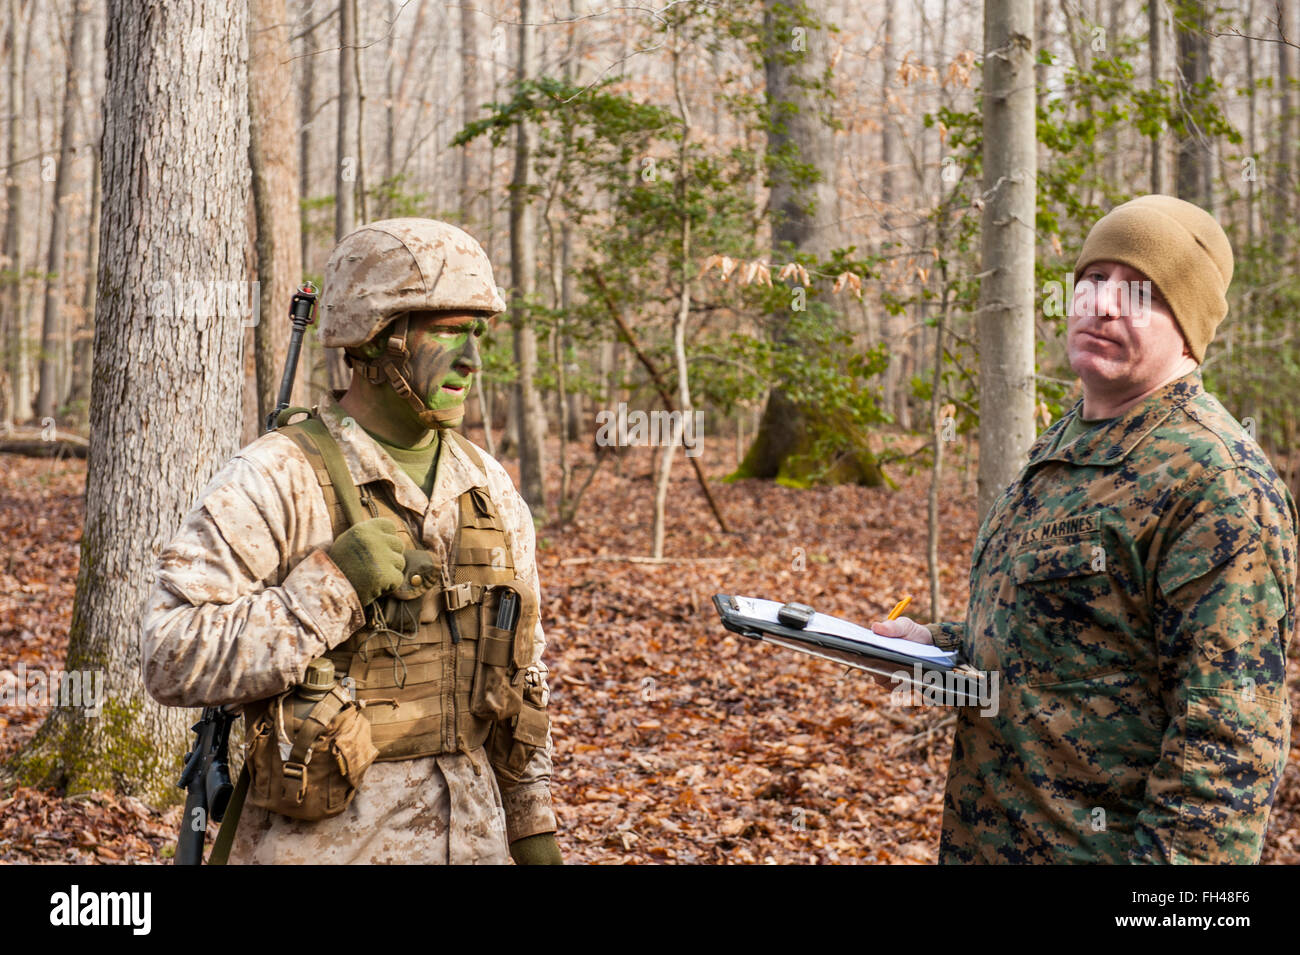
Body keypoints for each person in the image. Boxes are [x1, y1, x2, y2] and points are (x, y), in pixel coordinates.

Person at [871, 194, 1297, 863]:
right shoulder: (1069, 443)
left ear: (1187, 328)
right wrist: (933, 646)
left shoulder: (1215, 482)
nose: (1102, 304)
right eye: (1092, 281)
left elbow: (1226, 748)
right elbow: (1075, 642)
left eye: (1140, 293)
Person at [141, 218, 561, 865]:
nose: (474, 358)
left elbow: (522, 680)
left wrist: (535, 837)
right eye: (449, 332)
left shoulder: (488, 486)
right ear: (376, 338)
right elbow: (169, 655)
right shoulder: (279, 476)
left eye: (477, 333)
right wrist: (328, 587)